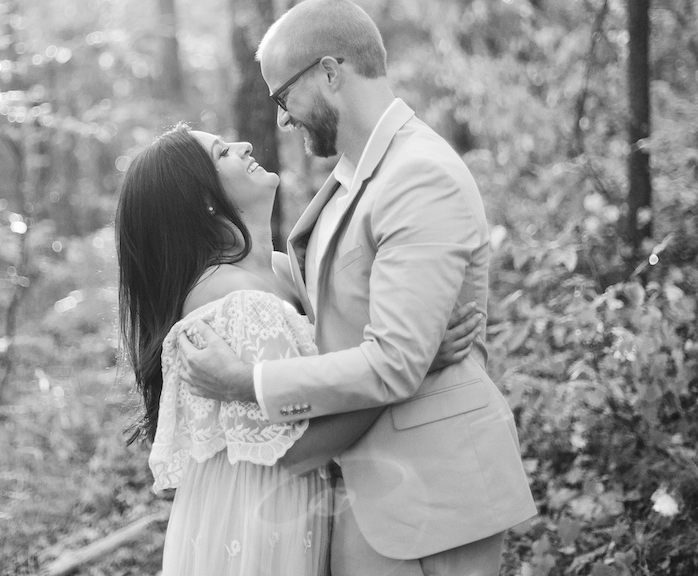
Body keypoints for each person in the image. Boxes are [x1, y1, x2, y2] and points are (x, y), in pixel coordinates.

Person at [179, 0, 538, 576]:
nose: (281, 119)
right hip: (368, 491)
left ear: (328, 72)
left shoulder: (418, 175)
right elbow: (334, 314)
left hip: (433, 497)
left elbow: (396, 361)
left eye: (281, 96)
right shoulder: (355, 177)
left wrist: (247, 382)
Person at [115, 124, 480, 576]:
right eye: (223, 152)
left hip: (296, 505)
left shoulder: (281, 271)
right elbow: (300, 450)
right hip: (257, 522)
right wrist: (414, 361)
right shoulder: (235, 299)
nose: (244, 144)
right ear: (205, 201)